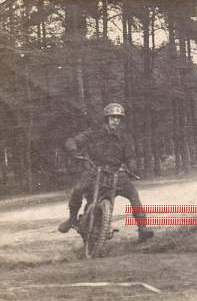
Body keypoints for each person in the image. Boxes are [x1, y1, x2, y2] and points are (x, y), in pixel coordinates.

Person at [58, 103, 154, 243]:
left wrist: (132, 165)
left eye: (118, 118)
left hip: (116, 173)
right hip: (95, 171)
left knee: (133, 194)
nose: (116, 120)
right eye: (113, 117)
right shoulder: (94, 132)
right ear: (107, 118)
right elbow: (74, 140)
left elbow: (131, 156)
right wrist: (72, 147)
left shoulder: (124, 137)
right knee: (77, 190)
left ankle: (142, 229)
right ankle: (72, 219)